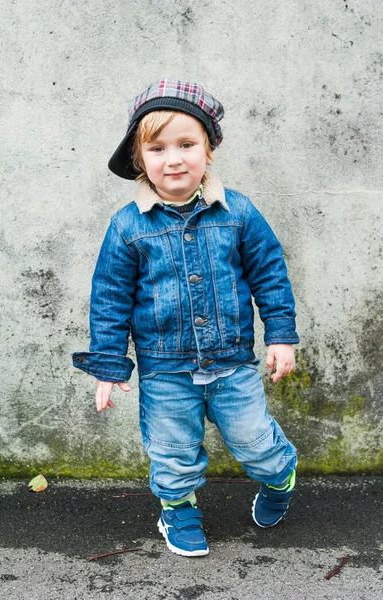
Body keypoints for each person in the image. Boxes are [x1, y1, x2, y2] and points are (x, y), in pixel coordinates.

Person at [73, 79, 299, 557]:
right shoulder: (128, 225)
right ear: (140, 159)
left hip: (232, 363)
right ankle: (178, 508)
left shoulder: (237, 211)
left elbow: (270, 273)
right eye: (157, 148)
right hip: (165, 369)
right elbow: (110, 299)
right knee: (172, 450)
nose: (173, 158)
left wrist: (280, 334)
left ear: (208, 150)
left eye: (186, 144)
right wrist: (109, 368)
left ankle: (280, 478)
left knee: (256, 444)